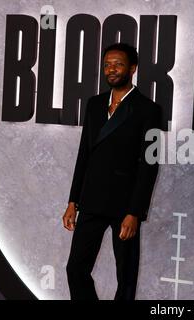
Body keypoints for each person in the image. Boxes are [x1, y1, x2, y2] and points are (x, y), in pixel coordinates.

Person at [62, 43, 161, 300]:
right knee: (75, 269)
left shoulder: (149, 110)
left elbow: (149, 166)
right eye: (107, 65)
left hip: (125, 206)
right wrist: (73, 201)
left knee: (125, 277)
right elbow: (84, 154)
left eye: (118, 64)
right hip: (91, 200)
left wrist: (135, 213)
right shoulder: (94, 105)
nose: (111, 70)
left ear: (132, 68)